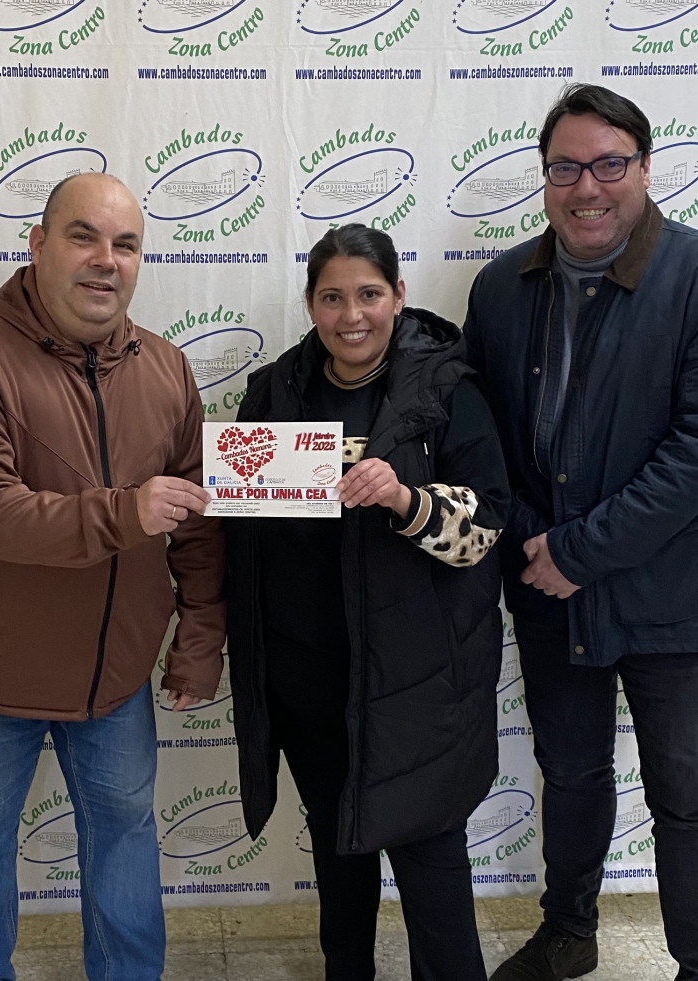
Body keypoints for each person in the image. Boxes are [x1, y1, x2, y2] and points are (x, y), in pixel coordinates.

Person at [0, 171, 226, 981]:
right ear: (38, 246)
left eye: (124, 244)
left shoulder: (166, 367)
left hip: (117, 675)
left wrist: (198, 637)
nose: (105, 260)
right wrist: (125, 512)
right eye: (84, 236)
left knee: (125, 835)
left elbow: (195, 521)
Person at [225, 224, 510, 981]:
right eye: (331, 297)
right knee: (337, 852)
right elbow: (248, 536)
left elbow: (486, 528)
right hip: (310, 684)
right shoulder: (273, 389)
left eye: (368, 294)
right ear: (311, 304)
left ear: (398, 296)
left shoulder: (449, 390)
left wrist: (406, 499)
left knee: (431, 866)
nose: (351, 314)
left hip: (417, 689)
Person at [464, 83, 698, 981]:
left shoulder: (689, 275)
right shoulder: (498, 288)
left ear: (644, 168)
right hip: (545, 592)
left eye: (608, 164)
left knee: (682, 796)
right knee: (568, 776)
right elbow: (482, 447)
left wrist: (576, 551)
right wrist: (536, 544)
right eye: (564, 167)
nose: (586, 187)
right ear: (545, 177)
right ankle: (569, 931)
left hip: (667, 598)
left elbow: (690, 456)